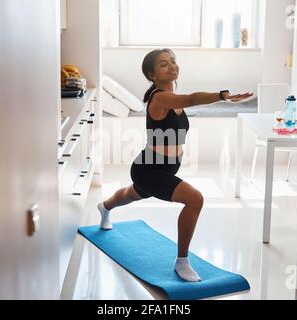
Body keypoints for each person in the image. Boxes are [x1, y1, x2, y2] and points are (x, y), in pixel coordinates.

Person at [97, 48, 253, 282]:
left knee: (131, 194)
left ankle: (105, 207)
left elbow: (186, 102)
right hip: (150, 169)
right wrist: (222, 95)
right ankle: (182, 262)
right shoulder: (159, 97)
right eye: (163, 64)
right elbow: (192, 99)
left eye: (173, 61)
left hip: (164, 167)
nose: (171, 66)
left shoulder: (172, 98)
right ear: (152, 75)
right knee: (195, 198)